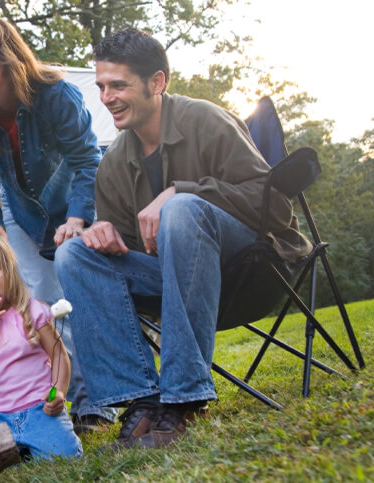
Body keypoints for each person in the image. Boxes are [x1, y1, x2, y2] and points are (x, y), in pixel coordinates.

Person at [53, 28, 312, 448]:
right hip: (173, 285)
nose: (106, 97)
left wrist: (184, 191)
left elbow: (276, 209)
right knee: (73, 254)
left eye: (118, 85)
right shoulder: (114, 163)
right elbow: (131, 253)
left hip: (250, 272)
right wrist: (103, 234)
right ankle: (140, 399)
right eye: (101, 86)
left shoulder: (205, 120)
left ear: (157, 82)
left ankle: (184, 399)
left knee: (181, 209)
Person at [0, 16, 115, 432]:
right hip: (18, 215)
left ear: (12, 63)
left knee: (80, 293)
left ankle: (101, 404)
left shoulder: (56, 96)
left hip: (75, 201)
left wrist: (78, 218)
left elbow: (87, 162)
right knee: (42, 301)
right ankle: (68, 405)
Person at [0, 231, 82, 459]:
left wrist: (59, 390)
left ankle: (32, 447)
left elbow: (59, 355)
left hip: (40, 410)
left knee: (67, 455)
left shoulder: (31, 310)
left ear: (9, 271)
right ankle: (23, 451)